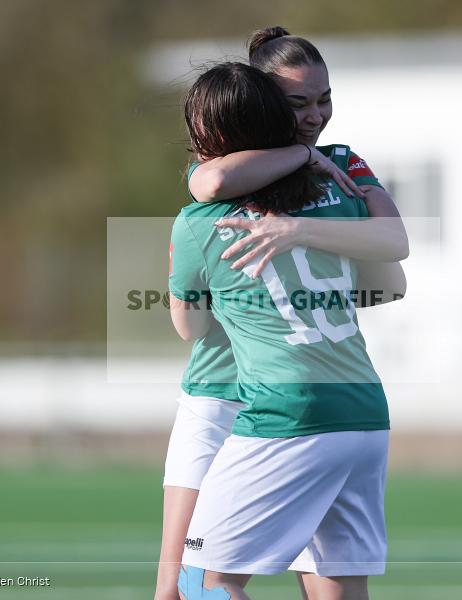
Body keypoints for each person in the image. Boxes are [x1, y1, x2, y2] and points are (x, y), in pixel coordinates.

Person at [156, 28, 407, 600]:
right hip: (295, 400)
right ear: (261, 102)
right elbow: (390, 281)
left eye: (324, 99)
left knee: (195, 586)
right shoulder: (332, 181)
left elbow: (189, 326)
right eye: (297, 104)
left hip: (280, 404)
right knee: (332, 587)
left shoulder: (209, 217)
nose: (316, 115)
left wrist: (292, 235)